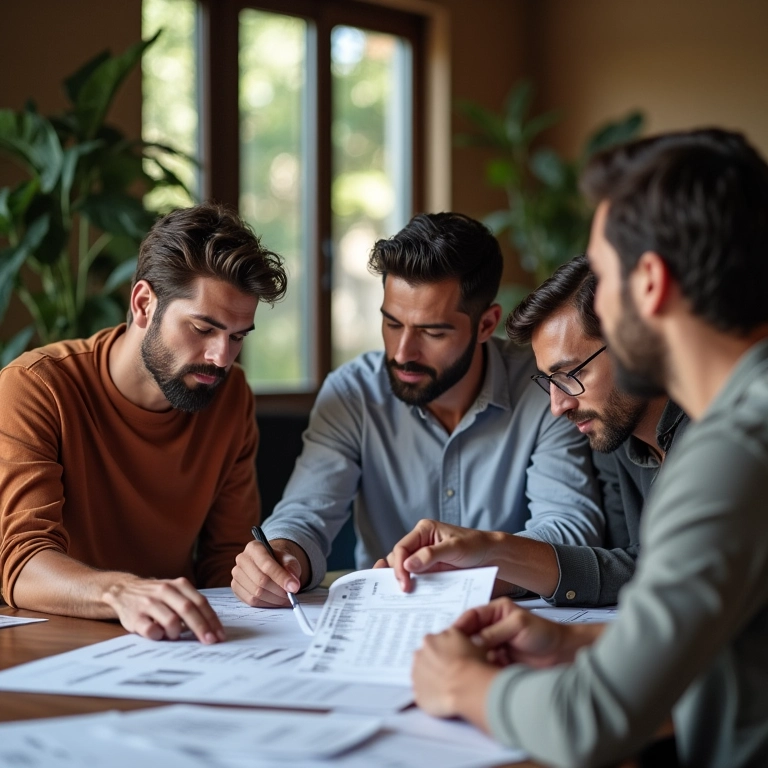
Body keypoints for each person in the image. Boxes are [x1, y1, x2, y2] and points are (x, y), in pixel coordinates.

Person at [411, 128, 768, 767]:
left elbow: (589, 722)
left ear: (649, 283)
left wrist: (463, 683)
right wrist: (576, 643)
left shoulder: (734, 450)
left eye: (601, 276)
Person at [231, 212, 604, 607]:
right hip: (383, 619)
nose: (403, 352)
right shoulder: (353, 394)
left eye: (432, 331)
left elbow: (569, 531)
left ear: (485, 324)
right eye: (392, 324)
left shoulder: (546, 389)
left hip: (511, 621)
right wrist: (284, 555)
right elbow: (305, 513)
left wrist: (473, 570)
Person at [0, 202, 287, 644]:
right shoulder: (35, 387)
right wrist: (122, 593)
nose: (221, 358)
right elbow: (21, 563)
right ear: (143, 304)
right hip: (54, 643)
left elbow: (225, 560)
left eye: (236, 337)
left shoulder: (230, 398)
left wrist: (260, 578)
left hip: (175, 641)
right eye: (203, 329)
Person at [381, 255, 688, 607]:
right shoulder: (614, 436)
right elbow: (625, 566)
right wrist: (483, 569)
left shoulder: (715, 433)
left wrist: (492, 551)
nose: (558, 406)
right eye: (549, 380)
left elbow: (676, 577)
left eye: (571, 374)